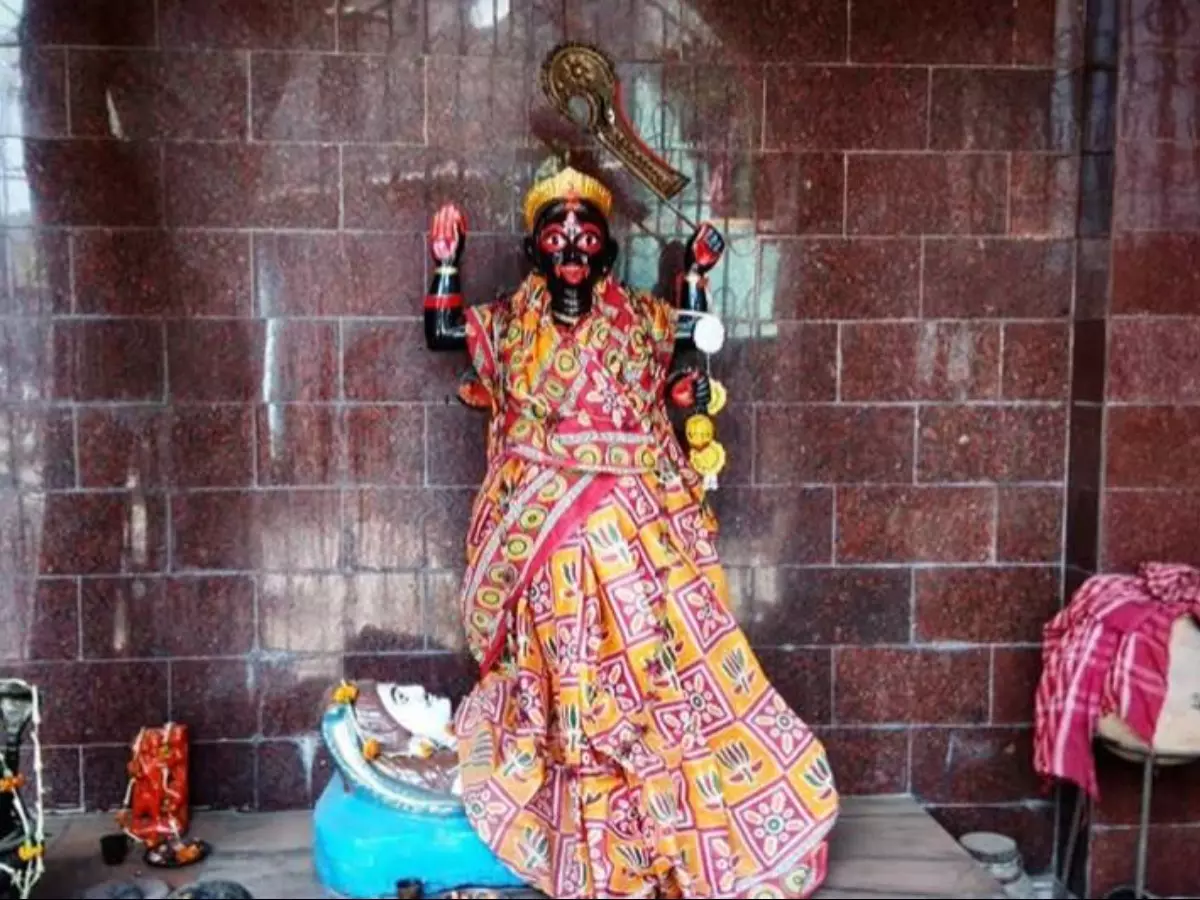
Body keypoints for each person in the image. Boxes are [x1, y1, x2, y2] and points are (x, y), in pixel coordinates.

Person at [423, 159, 839, 899]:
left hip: (636, 530)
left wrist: (698, 272)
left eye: (587, 233)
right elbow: (445, 329)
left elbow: (691, 332)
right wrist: (446, 262)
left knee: (656, 661)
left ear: (607, 249)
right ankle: (577, 788)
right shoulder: (511, 323)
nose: (574, 244)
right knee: (558, 661)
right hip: (540, 530)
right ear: (534, 249)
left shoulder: (639, 318)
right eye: (558, 233)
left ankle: (671, 792)